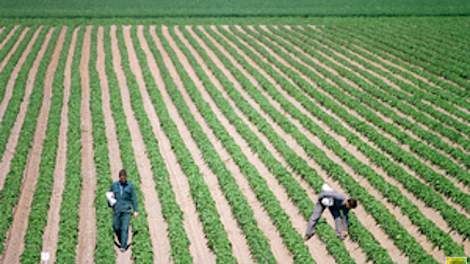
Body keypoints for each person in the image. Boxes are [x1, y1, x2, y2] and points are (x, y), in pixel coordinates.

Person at [107, 169, 139, 252]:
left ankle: (123, 246)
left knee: (125, 228)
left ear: (126, 177)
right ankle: (121, 239)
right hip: (117, 210)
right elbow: (109, 195)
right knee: (116, 226)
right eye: (121, 178)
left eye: (124, 178)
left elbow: (134, 198)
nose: (123, 179)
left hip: (126, 210)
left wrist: (135, 210)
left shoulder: (130, 186)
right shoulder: (114, 185)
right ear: (119, 177)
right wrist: (110, 203)